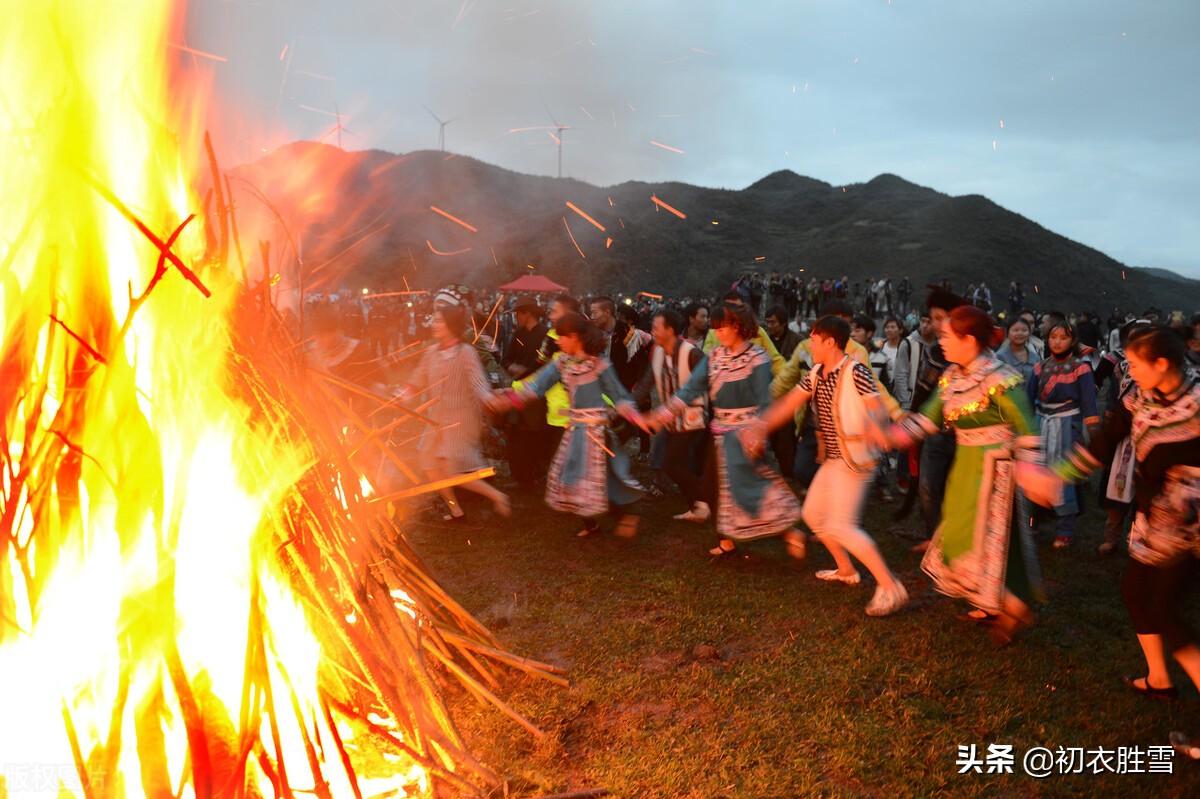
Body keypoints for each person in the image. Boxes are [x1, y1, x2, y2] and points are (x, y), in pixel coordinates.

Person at [1020, 326, 1199, 752]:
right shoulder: (1140, 397)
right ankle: (1159, 680)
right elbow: (1105, 440)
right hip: (1155, 517)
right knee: (1136, 592)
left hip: (1191, 527)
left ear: (1162, 364)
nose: (1129, 371)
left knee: (1166, 611)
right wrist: (1055, 477)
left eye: (1136, 364)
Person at [881, 304, 1043, 645]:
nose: (941, 343)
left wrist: (1032, 472)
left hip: (995, 471)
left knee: (996, 540)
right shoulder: (953, 377)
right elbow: (927, 419)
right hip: (966, 466)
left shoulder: (1001, 378)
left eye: (947, 336)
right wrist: (888, 436)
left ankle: (1013, 605)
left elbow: (1027, 428)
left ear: (969, 340)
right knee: (960, 535)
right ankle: (990, 603)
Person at [746, 316, 909, 616]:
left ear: (830, 342)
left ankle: (890, 586)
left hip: (857, 459)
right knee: (813, 515)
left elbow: (877, 408)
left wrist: (876, 429)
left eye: (814, 339)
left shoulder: (856, 371)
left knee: (840, 526)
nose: (810, 345)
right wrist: (759, 426)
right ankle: (846, 570)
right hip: (835, 459)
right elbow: (790, 402)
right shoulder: (818, 372)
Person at [649, 302, 805, 557]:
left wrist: (758, 433)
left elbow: (764, 401)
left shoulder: (757, 358)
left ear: (738, 327)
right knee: (712, 490)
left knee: (749, 491)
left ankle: (789, 533)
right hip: (720, 434)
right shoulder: (715, 357)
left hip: (746, 436)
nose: (718, 332)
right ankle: (727, 541)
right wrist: (665, 412)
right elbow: (691, 389)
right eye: (716, 328)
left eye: (723, 327)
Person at [489, 312, 645, 537]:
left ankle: (626, 515)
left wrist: (637, 418)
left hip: (597, 433)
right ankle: (590, 524)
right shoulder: (561, 362)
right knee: (571, 475)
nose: (558, 341)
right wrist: (509, 400)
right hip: (575, 430)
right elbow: (536, 386)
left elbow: (619, 396)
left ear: (574, 337)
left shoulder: (599, 365)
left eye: (561, 336)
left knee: (605, 478)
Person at [397, 303, 512, 521]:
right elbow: (417, 378)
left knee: (452, 470)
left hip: (460, 420)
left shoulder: (465, 352)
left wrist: (489, 399)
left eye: (439, 320)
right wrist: (402, 395)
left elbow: (478, 383)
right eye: (434, 319)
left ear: (450, 325)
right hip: (435, 419)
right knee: (429, 463)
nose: (434, 324)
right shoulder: (431, 352)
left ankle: (497, 496)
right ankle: (455, 510)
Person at [634, 308, 711, 522]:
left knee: (673, 463)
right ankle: (699, 506)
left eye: (656, 328)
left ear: (670, 330)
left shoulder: (692, 352)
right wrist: (627, 406)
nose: (653, 332)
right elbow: (645, 384)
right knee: (674, 463)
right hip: (669, 420)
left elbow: (705, 382)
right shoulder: (658, 353)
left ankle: (703, 503)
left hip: (693, 419)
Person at [1028, 322, 1100, 548]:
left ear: (1072, 341)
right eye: (1053, 337)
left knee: (1063, 476)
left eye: (1063, 337)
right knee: (1035, 473)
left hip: (1067, 426)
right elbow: (1029, 400)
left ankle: (1064, 529)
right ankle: (1033, 524)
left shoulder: (1081, 368)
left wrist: (1092, 430)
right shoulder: (1039, 367)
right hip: (1041, 424)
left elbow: (1089, 402)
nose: (1057, 341)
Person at [702, 292, 785, 373]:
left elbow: (776, 362)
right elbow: (706, 363)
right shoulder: (714, 333)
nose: (735, 313)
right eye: (730, 308)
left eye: (738, 308)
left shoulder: (757, 331)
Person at [588, 296, 650, 391]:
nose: (592, 317)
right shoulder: (593, 334)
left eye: (595, 312)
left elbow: (641, 365)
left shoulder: (628, 334)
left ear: (607, 312)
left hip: (623, 391)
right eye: (591, 313)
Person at [995, 317, 1037, 386]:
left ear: (1029, 333)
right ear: (1008, 333)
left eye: (1024, 330)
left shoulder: (1035, 357)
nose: (1020, 333)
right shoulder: (999, 356)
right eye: (1015, 330)